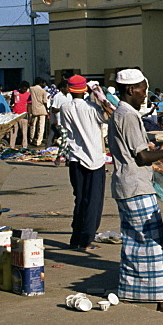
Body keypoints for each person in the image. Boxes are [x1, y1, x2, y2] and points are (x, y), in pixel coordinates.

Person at [108, 69, 163, 316]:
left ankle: (131, 291)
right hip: (136, 186)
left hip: (126, 185)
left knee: (134, 242)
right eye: (142, 89)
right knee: (153, 244)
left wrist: (160, 149)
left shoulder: (122, 114)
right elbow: (142, 156)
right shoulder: (127, 116)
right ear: (131, 90)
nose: (145, 94)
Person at [58, 75, 108, 252]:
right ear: (84, 89)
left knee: (80, 199)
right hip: (94, 158)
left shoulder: (65, 108)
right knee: (93, 201)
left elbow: (65, 129)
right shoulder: (92, 108)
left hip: (76, 158)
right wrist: (101, 95)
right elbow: (110, 115)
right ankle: (86, 239)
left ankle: (76, 237)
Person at [47, 80, 71, 151]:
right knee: (63, 136)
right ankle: (61, 151)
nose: (68, 89)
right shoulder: (57, 96)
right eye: (67, 87)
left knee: (65, 137)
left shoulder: (70, 96)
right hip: (60, 120)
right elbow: (54, 109)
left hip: (68, 120)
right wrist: (62, 109)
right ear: (62, 88)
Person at [9, 81, 31, 148]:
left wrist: (29, 117)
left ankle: (24, 146)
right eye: (23, 89)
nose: (24, 90)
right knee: (13, 132)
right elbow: (12, 102)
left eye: (25, 89)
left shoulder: (28, 95)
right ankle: (11, 146)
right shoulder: (15, 92)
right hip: (15, 115)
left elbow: (29, 106)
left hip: (23, 115)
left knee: (24, 133)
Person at [28, 78, 50, 146]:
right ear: (41, 83)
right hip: (42, 109)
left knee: (33, 125)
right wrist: (47, 110)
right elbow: (45, 101)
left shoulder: (31, 89)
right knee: (41, 126)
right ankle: (38, 141)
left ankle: (31, 139)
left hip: (34, 109)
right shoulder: (43, 91)